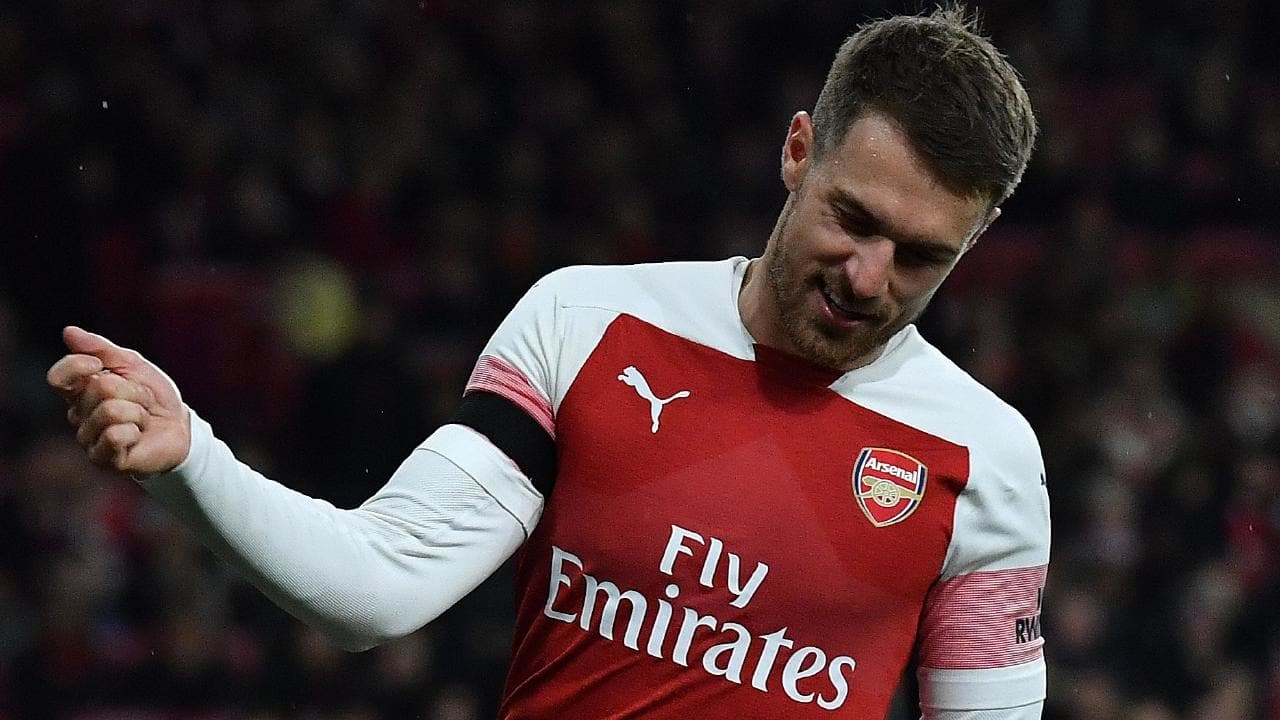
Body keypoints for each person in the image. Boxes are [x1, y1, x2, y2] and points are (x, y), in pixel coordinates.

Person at [47, 7, 1049, 719]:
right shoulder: (588, 321)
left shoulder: (985, 462)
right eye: (852, 218)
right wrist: (191, 459)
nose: (869, 277)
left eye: (919, 256)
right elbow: (378, 585)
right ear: (798, 151)